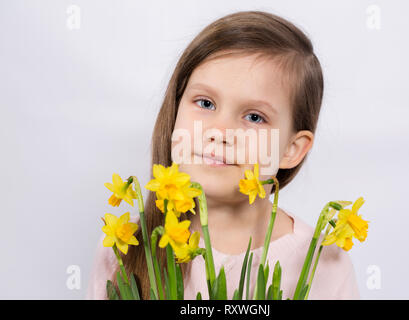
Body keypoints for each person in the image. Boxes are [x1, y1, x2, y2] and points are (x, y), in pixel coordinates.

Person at [86, 10, 359, 300]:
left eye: (254, 117)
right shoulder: (126, 249)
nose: (220, 131)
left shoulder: (321, 263)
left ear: (292, 149)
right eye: (205, 103)